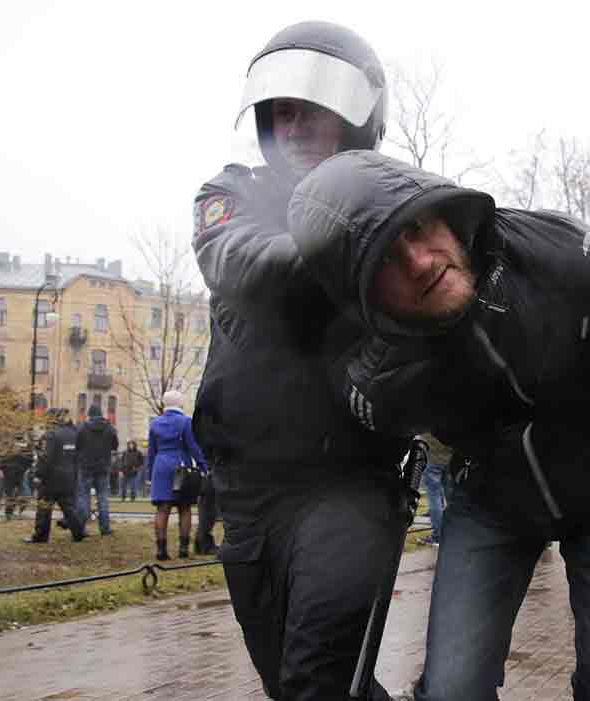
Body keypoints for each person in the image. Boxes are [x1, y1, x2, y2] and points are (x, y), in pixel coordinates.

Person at [288, 151, 590, 700]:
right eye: (386, 262)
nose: (421, 262)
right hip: (491, 506)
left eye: (418, 227)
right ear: (367, 299)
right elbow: (345, 473)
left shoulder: (568, 255)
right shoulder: (368, 376)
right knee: (451, 691)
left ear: (447, 213)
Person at [190, 21, 409, 701]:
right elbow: (241, 262)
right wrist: (351, 244)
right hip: (248, 490)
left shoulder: (395, 205)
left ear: (354, 117)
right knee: (291, 681)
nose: (293, 125)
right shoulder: (229, 194)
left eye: (311, 108)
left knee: (317, 679)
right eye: (281, 110)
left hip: (347, 482)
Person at [147, 391, 208, 560]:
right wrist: (204, 466)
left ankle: (161, 551)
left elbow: (151, 451)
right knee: (185, 508)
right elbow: (193, 447)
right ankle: (183, 549)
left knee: (162, 509)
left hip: (160, 466)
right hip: (180, 465)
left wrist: (149, 474)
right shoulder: (186, 422)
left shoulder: (155, 423)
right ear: (180, 403)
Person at [24, 410, 86, 543]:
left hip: (51, 478)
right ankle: (79, 532)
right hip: (69, 477)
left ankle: (40, 536)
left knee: (44, 508)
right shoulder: (74, 434)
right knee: (69, 507)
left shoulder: (50, 435)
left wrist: (38, 474)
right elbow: (78, 457)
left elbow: (46, 458)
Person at [75, 404, 119, 536]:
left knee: (83, 496)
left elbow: (77, 445)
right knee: (103, 497)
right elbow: (115, 446)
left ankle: (81, 527)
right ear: (101, 413)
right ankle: (105, 528)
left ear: (89, 414)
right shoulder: (110, 428)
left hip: (86, 466)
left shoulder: (82, 427)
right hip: (103, 467)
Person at [1, 434, 32, 520]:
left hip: (20, 474)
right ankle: (9, 514)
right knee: (10, 495)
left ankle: (20, 510)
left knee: (25, 495)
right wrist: (1, 469)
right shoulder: (7, 449)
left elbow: (30, 459)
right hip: (8, 475)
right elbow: (2, 460)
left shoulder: (25, 448)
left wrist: (27, 469)